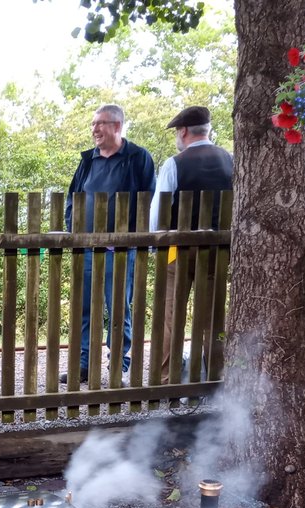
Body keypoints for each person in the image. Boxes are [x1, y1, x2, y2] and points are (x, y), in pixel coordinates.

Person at [63, 103, 156, 383]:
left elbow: (148, 201)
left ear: (117, 125)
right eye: (92, 124)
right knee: (85, 309)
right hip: (88, 249)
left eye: (100, 124)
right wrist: (74, 230)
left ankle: (119, 366)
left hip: (122, 250)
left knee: (119, 309)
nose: (94, 130)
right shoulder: (88, 160)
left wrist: (136, 240)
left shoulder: (138, 158)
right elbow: (73, 198)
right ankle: (84, 366)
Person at [147, 105, 233, 383]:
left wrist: (154, 246)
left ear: (183, 132)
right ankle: (215, 376)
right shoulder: (232, 161)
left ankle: (165, 377)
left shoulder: (174, 164)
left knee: (170, 315)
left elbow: (158, 211)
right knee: (213, 318)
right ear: (207, 130)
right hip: (218, 251)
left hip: (178, 250)